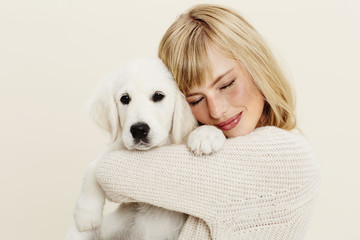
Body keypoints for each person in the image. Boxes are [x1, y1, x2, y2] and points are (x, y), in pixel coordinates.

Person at [96, 4, 321, 240]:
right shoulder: (204, 148)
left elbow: (112, 173)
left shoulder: (286, 155)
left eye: (226, 85)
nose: (216, 111)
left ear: (258, 65)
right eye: (195, 100)